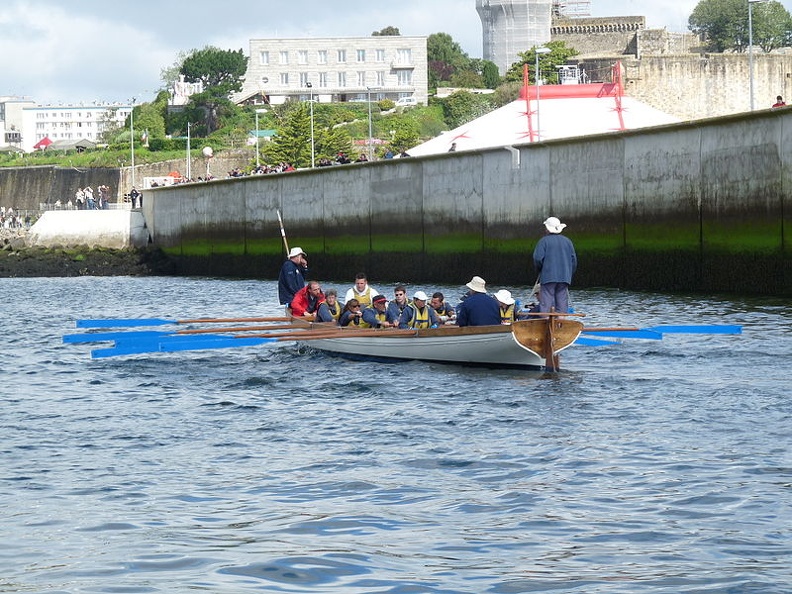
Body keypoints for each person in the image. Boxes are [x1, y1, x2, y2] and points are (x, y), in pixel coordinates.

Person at [533, 217, 577, 314]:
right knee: (562, 301)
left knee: (546, 302)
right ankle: (560, 323)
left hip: (548, 276)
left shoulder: (543, 241)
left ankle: (545, 322)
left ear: (547, 229)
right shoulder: (568, 241)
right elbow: (573, 261)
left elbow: (537, 259)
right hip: (564, 277)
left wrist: (540, 270)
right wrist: (569, 273)